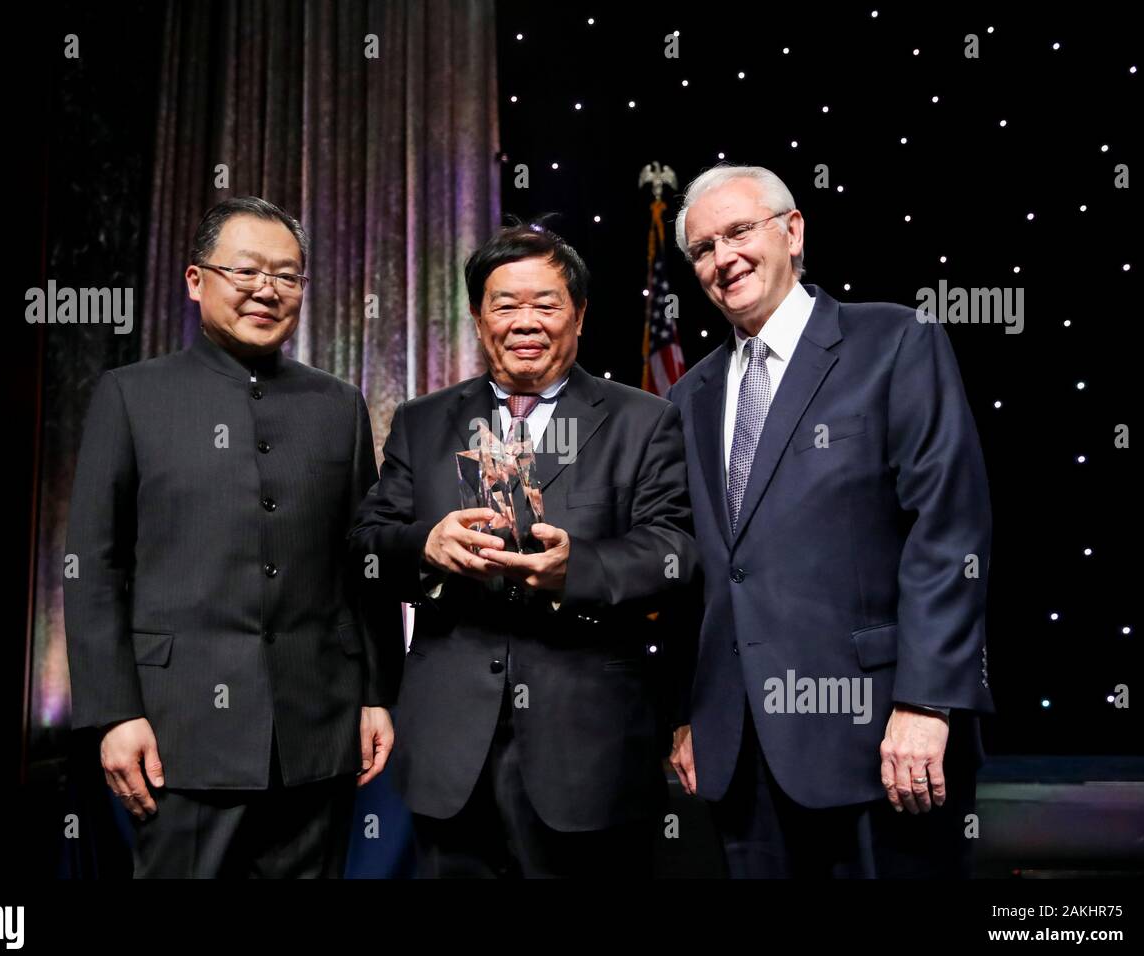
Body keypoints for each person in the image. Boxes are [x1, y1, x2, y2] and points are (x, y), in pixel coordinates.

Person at [667, 165, 993, 877]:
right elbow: (708, 569)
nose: (723, 258)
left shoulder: (895, 342)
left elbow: (948, 529)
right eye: (701, 248)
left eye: (738, 231)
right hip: (742, 758)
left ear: (793, 230)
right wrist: (697, 712)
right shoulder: (691, 393)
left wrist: (926, 700)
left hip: (882, 741)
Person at [64, 196, 402, 877]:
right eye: (246, 271)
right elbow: (92, 566)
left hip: (318, 729)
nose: (266, 290)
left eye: (286, 276)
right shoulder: (131, 396)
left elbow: (361, 558)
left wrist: (375, 693)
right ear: (196, 280)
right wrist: (113, 713)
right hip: (177, 732)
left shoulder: (338, 404)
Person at [349, 221, 698, 877]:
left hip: (589, 754)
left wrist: (579, 569)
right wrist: (427, 544)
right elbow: (366, 544)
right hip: (451, 753)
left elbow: (673, 550)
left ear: (580, 314)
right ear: (480, 320)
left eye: (546, 303)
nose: (525, 321)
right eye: (504, 304)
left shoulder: (643, 420)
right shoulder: (423, 421)